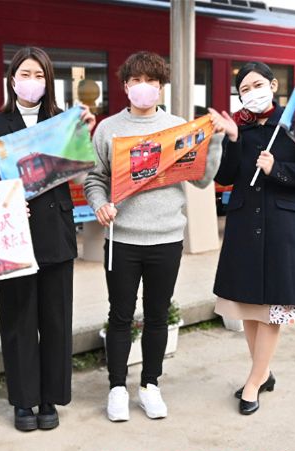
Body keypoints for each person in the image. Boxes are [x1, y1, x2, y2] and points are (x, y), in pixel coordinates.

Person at [84, 51, 218, 422]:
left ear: (161, 86)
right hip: (123, 239)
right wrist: (99, 204)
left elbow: (202, 178)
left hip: (166, 237)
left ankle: (150, 385)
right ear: (125, 86)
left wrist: (216, 141)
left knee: (158, 315)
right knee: (120, 316)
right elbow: (94, 179)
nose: (144, 87)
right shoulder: (109, 129)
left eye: (151, 81)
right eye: (136, 81)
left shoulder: (179, 128)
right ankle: (115, 388)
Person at [0, 46, 95, 431]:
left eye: (40, 75)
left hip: (56, 230)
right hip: (13, 234)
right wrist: (3, 204)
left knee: (56, 318)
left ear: (49, 81)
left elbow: (77, 178)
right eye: (26, 74)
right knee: (18, 318)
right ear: (12, 80)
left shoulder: (61, 121)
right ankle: (23, 402)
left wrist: (82, 139)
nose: (33, 81)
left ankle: (50, 398)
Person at [209, 61, 295, 415]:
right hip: (244, 224)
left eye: (257, 85)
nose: (251, 93)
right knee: (246, 306)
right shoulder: (240, 129)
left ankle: (255, 382)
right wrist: (230, 139)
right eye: (243, 89)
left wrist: (278, 170)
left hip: (280, 225)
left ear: (272, 85)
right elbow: (226, 176)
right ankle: (264, 372)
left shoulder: (294, 124)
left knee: (272, 309)